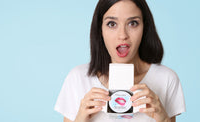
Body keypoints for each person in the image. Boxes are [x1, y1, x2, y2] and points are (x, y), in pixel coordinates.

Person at [54, 0, 186, 122]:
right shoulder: (78, 78)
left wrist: (163, 119)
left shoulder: (166, 78)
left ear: (145, 28)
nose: (122, 35)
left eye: (133, 23)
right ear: (100, 30)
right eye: (112, 24)